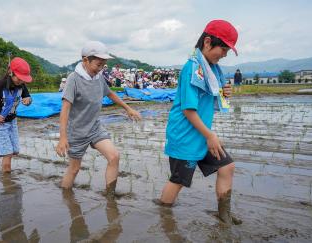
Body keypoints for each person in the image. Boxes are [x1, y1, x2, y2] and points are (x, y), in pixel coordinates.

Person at [155, 20, 242, 225]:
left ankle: (224, 215)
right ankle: (162, 216)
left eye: (228, 51)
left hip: (202, 135)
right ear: (208, 42)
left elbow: (213, 95)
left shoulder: (213, 69)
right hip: (186, 135)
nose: (224, 54)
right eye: (224, 49)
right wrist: (210, 135)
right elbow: (188, 109)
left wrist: (224, 92)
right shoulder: (192, 68)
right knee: (178, 181)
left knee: (227, 167)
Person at [55, 41, 141, 197]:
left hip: (95, 128)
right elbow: (65, 109)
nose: (100, 68)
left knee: (114, 156)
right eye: (98, 64)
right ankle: (65, 197)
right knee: (74, 169)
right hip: (77, 132)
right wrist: (62, 137)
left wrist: (128, 108)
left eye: (103, 65)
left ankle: (110, 196)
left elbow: (110, 93)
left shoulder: (99, 78)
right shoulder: (73, 79)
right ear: (85, 60)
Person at [0, 57, 33, 173]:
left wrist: (28, 100)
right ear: (11, 72)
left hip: (12, 122)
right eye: (19, 78)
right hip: (0, 124)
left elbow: (27, 98)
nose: (21, 81)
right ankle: (7, 185)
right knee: (8, 154)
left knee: (14, 151)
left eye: (24, 79)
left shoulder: (22, 85)